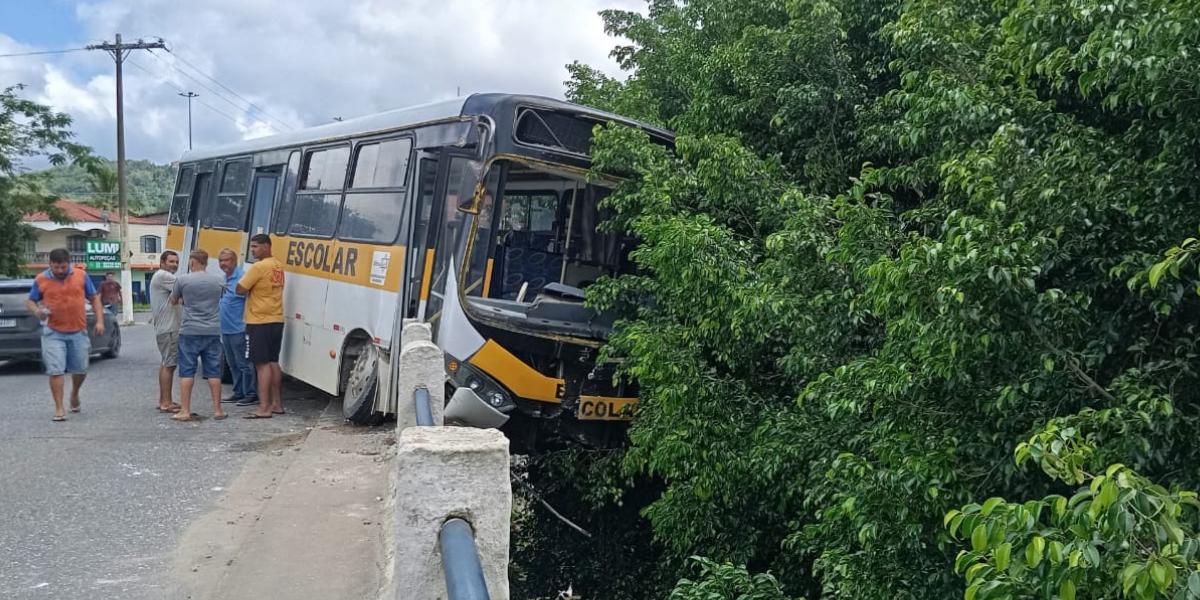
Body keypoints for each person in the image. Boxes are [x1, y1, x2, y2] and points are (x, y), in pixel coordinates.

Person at [24, 248, 104, 421]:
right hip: (53, 332)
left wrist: (99, 321)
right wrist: (38, 311)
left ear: (69, 264)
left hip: (78, 330)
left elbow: (94, 298)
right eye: (56, 267)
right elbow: (30, 300)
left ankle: (74, 393)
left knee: (81, 369)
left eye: (63, 267)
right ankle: (59, 408)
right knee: (55, 370)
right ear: (50, 264)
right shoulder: (41, 279)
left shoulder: (81, 276)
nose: (60, 271)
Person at [169, 249, 228, 422]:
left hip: (189, 331)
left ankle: (185, 410)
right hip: (212, 330)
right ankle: (218, 410)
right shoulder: (218, 280)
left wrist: (184, 300)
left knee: (187, 371)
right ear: (206, 262)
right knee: (214, 372)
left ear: (192, 262)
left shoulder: (182, 280)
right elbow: (220, 298)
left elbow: (173, 301)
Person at [237, 234, 285, 419]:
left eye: (256, 247)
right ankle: (277, 404)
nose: (252, 250)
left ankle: (264, 407)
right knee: (273, 362)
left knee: (261, 364)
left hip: (259, 320)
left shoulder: (259, 267)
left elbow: (240, 288)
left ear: (266, 246)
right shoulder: (278, 265)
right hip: (276, 318)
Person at [217, 248, 257, 406]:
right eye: (221, 260)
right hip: (226, 329)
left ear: (234, 261)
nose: (223, 263)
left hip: (239, 328)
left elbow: (251, 300)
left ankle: (251, 394)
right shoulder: (225, 278)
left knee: (244, 364)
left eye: (226, 260)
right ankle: (239, 391)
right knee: (232, 363)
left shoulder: (242, 277)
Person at [150, 251, 182, 413]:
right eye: (171, 261)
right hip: (169, 328)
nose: (174, 265)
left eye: (176, 262)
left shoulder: (160, 276)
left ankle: (164, 400)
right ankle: (166, 403)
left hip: (165, 328)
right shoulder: (164, 276)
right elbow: (184, 287)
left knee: (166, 364)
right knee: (170, 365)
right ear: (162, 262)